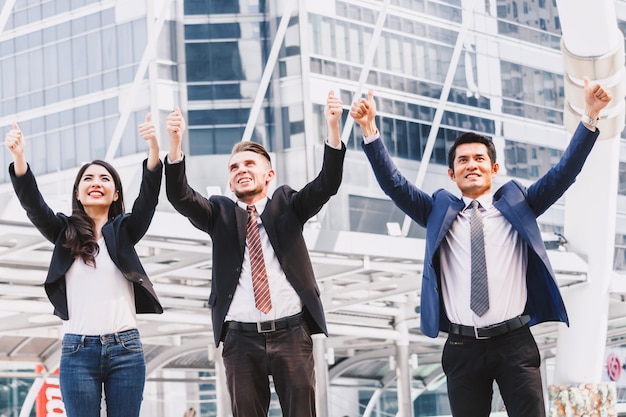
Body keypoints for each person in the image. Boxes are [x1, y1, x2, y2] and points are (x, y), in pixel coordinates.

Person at [350, 77, 611, 417]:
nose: (471, 164)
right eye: (462, 160)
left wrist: (589, 116)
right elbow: (394, 185)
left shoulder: (520, 205)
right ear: (451, 173)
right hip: (462, 346)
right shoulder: (436, 212)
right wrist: (370, 130)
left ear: (494, 168)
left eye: (479, 158)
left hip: (514, 343)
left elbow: (564, 173)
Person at [164, 91, 345, 417]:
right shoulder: (218, 213)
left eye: (249, 164)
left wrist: (332, 129)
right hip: (239, 339)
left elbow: (327, 184)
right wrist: (175, 146)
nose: (241, 170)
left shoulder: (287, 205)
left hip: (292, 334)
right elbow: (180, 197)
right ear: (230, 181)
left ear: (268, 175)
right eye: (234, 167)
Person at [4, 115, 164, 417]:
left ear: (115, 194)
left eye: (105, 179)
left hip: (126, 349)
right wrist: (19, 158)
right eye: (88, 178)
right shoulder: (63, 232)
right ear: (78, 192)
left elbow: (148, 200)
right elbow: (34, 206)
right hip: (77, 351)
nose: (96, 183)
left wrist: (154, 149)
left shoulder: (126, 231)